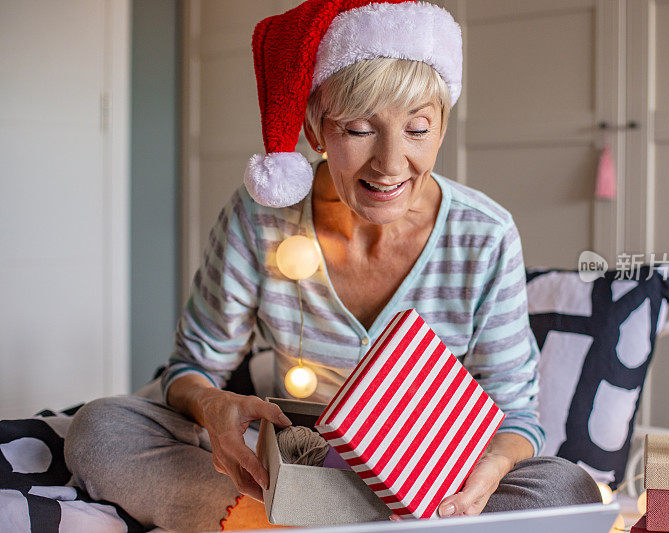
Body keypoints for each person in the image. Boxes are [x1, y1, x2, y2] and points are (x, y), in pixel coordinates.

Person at [64, 0, 601, 530]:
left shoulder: (484, 235)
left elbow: (517, 417)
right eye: (359, 129)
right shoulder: (261, 218)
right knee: (101, 429)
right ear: (317, 130)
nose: (391, 164)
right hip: (294, 467)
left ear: (441, 126)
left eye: (417, 129)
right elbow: (191, 369)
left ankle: (282, 527)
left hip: (430, 487)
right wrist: (211, 409)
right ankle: (314, 521)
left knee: (565, 488)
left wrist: (492, 469)